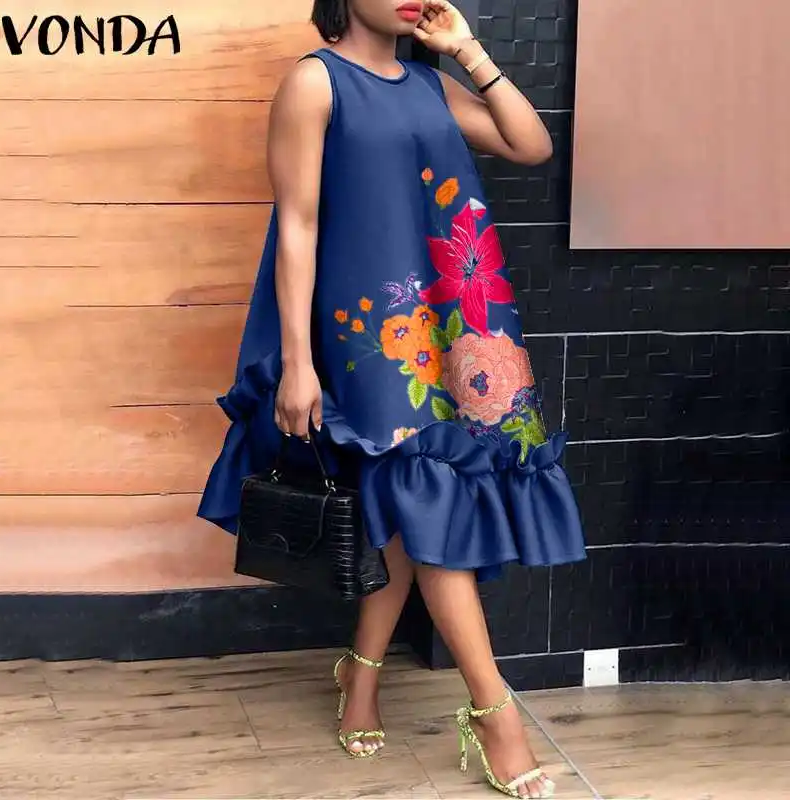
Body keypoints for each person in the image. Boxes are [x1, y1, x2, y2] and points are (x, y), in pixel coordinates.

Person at [198, 0, 586, 796]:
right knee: (424, 491)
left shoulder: (428, 85)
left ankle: (362, 674)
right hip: (373, 330)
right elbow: (297, 224)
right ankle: (495, 713)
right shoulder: (315, 83)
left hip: (457, 316)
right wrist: (297, 362)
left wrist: (467, 49)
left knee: (413, 504)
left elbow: (531, 144)